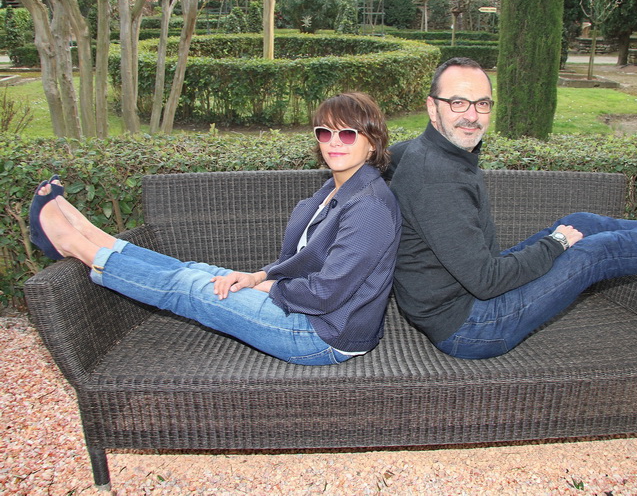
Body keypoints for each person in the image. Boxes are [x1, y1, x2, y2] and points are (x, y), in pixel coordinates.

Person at [387, 57, 637, 360]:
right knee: (592, 250)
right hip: (472, 326)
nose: (472, 117)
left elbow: (380, 161)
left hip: (467, 295)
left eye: (482, 104)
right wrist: (556, 244)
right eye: (458, 103)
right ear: (432, 107)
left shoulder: (420, 150)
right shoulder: (436, 178)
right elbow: (487, 281)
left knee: (583, 223)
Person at [29, 92, 402, 366]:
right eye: (325, 133)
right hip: (310, 314)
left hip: (322, 335)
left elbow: (326, 293)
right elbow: (305, 262)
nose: (334, 143)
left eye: (348, 134)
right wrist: (257, 275)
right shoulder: (339, 186)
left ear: (372, 143)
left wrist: (266, 284)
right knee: (196, 271)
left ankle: (75, 247)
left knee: (192, 288)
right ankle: (98, 237)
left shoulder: (368, 205)